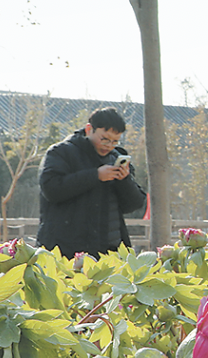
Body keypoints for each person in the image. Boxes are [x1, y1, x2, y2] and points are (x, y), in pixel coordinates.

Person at [36, 106, 146, 256]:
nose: (109, 146)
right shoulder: (61, 152)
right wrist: (95, 176)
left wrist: (124, 180)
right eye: (104, 139)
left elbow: (135, 204)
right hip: (67, 250)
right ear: (89, 129)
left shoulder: (116, 158)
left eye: (115, 141)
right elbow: (51, 189)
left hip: (109, 250)